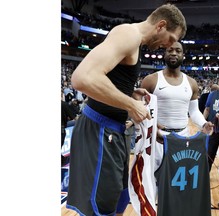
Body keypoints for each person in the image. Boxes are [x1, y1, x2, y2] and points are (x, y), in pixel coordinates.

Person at [66, 4, 187, 216]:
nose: (167, 45)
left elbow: (108, 79)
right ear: (161, 25)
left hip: (114, 131)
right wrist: (131, 105)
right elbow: (82, 78)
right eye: (169, 39)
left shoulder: (135, 42)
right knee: (100, 208)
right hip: (100, 130)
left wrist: (130, 93)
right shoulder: (128, 34)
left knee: (117, 200)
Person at [140, 41, 214, 215]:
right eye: (170, 50)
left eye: (178, 50)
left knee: (177, 187)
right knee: (151, 186)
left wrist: (204, 123)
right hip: (156, 138)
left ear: (183, 55)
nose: (174, 53)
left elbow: (194, 112)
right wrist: (151, 131)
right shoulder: (151, 80)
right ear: (164, 54)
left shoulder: (191, 83)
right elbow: (141, 111)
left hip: (181, 138)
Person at [203, 74, 219, 171]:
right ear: (218, 82)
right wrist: (203, 123)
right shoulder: (212, 94)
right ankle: (206, 174)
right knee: (210, 152)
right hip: (213, 128)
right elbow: (207, 109)